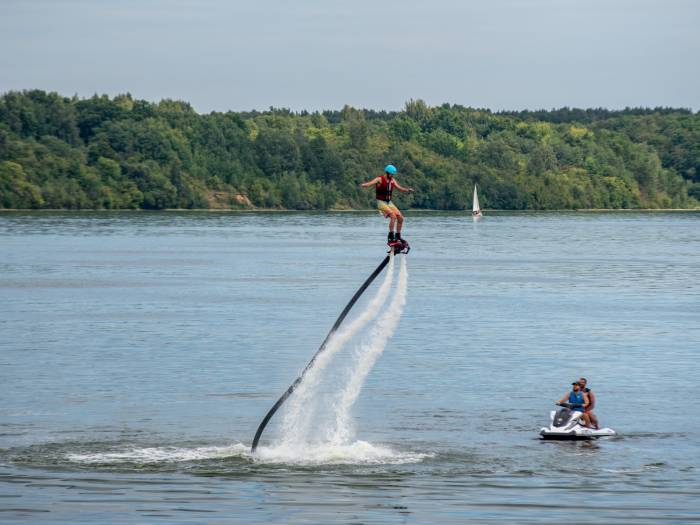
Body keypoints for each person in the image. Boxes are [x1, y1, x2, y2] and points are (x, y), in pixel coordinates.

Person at [360, 164, 414, 245]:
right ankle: (391, 236)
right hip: (381, 202)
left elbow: (399, 188)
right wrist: (364, 185)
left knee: (401, 218)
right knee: (393, 216)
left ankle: (398, 237)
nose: (392, 176)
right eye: (391, 174)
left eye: (393, 174)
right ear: (387, 172)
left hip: (389, 203)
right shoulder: (379, 179)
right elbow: (369, 183)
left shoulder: (392, 180)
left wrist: (407, 190)